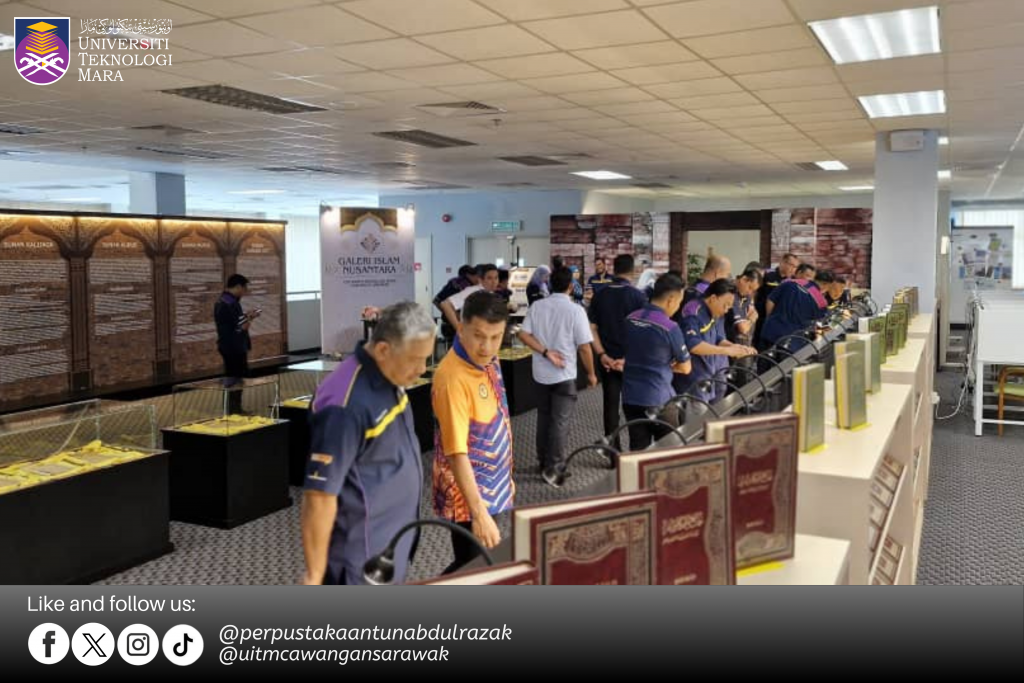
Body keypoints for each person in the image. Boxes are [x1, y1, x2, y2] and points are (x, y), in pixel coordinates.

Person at [300, 301, 435, 585]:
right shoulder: (343, 406)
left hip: (391, 540)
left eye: (426, 358)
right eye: (415, 359)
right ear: (383, 349)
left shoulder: (390, 372)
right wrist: (314, 574)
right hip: (360, 557)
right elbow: (319, 497)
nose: (422, 369)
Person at [432, 291, 515, 574]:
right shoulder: (452, 378)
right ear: (461, 327)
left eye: (496, 337)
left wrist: (505, 479)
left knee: (478, 563)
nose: (487, 347)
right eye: (479, 336)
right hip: (468, 496)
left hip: (492, 486)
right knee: (472, 569)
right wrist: (478, 513)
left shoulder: (488, 359)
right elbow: (456, 452)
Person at [517, 268, 597, 486]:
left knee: (544, 418)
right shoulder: (576, 310)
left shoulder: (537, 306)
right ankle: (554, 467)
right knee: (560, 422)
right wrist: (591, 374)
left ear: (550, 285)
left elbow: (523, 334)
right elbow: (584, 348)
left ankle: (543, 461)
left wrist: (544, 352)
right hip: (564, 374)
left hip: (540, 374)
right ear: (571, 286)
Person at [621, 273, 692, 451]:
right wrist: (667, 365)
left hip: (630, 397)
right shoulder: (670, 327)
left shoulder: (630, 318)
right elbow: (686, 368)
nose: (678, 307)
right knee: (669, 452)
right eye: (679, 302)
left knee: (638, 450)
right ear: (670, 300)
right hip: (659, 399)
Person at [588, 254, 648, 453]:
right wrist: (627, 359)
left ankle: (613, 453)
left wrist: (602, 355)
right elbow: (644, 332)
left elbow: (592, 328)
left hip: (607, 361)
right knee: (636, 406)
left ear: (613, 269)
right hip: (632, 361)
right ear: (633, 271)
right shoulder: (639, 297)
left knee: (610, 406)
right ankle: (637, 451)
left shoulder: (600, 295)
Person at [676, 279, 757, 402]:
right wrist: (726, 351)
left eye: (729, 307)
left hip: (707, 372)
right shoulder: (693, 312)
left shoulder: (712, 311)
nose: (726, 310)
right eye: (725, 305)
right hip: (693, 377)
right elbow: (693, 345)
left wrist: (735, 347)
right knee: (698, 411)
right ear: (713, 298)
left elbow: (716, 338)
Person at [214, 274, 260, 414]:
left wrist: (247, 316)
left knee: (234, 377)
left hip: (230, 345)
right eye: (244, 289)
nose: (245, 292)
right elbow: (240, 327)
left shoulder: (225, 301)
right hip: (233, 346)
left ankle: (234, 410)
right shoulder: (230, 303)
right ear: (238, 286)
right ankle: (233, 411)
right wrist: (249, 319)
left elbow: (235, 322)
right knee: (235, 379)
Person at [760, 268, 830, 348]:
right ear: (826, 285)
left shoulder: (790, 282)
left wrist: (770, 319)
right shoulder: (821, 302)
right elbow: (820, 326)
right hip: (792, 342)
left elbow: (770, 300)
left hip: (770, 330)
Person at [754, 253, 799, 348]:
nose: (793, 269)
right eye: (791, 265)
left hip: (780, 321)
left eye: (795, 267)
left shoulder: (793, 281)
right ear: (782, 262)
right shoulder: (767, 275)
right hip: (762, 317)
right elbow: (755, 292)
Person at [439, 263, 500, 332]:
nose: (494, 282)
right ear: (480, 280)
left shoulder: (491, 294)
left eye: (496, 278)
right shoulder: (473, 291)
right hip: (469, 334)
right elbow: (445, 304)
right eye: (489, 278)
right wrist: (458, 328)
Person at [726, 268, 763, 367]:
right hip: (728, 342)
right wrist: (751, 319)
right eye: (749, 287)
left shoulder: (745, 295)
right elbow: (743, 328)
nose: (750, 292)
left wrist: (751, 317)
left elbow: (753, 311)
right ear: (743, 279)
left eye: (753, 290)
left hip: (742, 343)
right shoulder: (731, 292)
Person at [433, 265, 479, 343]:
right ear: (468, 275)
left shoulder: (453, 282)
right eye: (477, 276)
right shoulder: (466, 286)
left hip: (447, 323)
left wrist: (447, 313)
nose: (478, 280)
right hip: (458, 325)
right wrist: (455, 315)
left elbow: (436, 301)